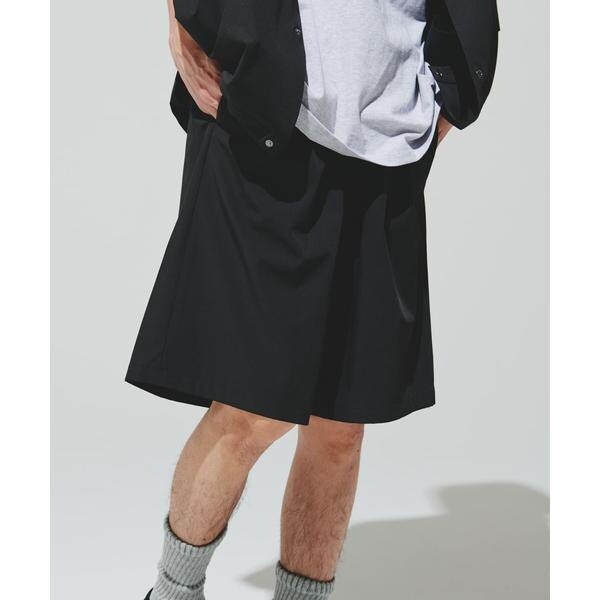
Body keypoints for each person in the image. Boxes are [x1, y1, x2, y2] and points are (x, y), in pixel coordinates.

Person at [125, 0, 500, 598]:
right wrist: (176, 18)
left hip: (390, 139)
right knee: (251, 412)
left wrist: (447, 97)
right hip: (265, 110)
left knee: (341, 428)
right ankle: (173, 592)